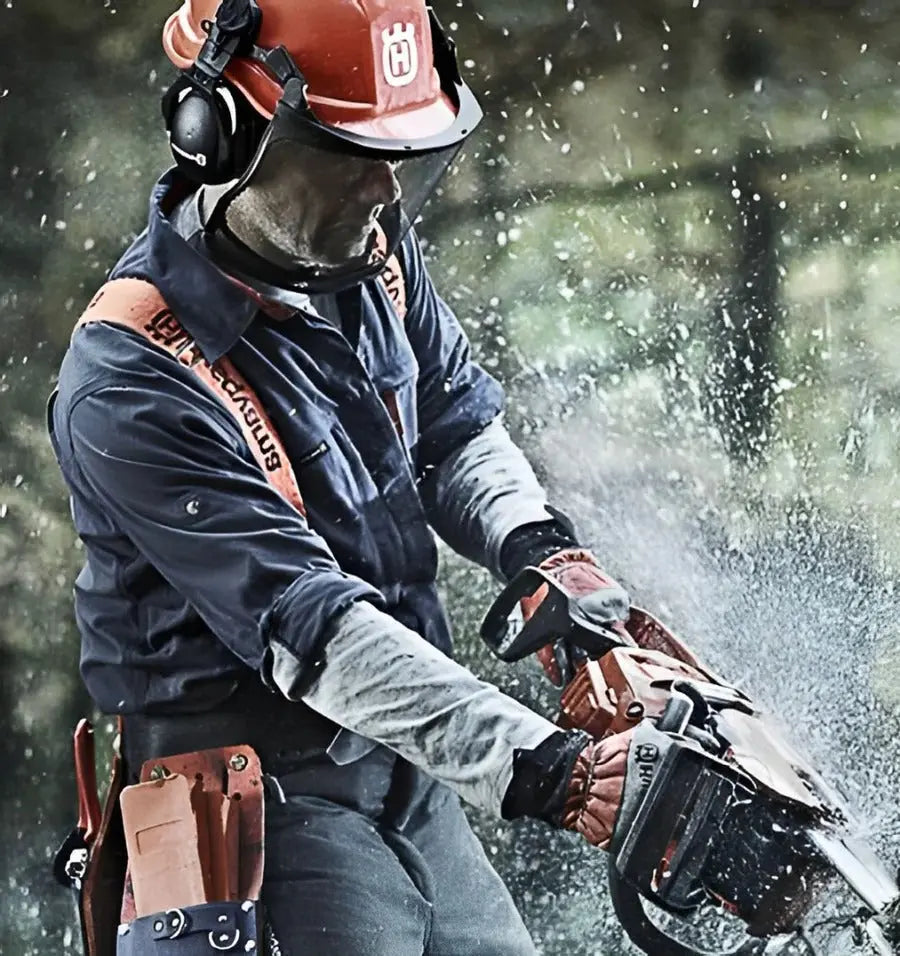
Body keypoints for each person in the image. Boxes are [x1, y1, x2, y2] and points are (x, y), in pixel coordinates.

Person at [48, 0, 635, 952]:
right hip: (252, 801)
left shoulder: (362, 248)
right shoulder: (129, 377)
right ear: (224, 134)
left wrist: (538, 548)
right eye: (351, 153)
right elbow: (313, 628)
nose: (387, 190)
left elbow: (451, 426)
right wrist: (539, 767)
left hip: (399, 769)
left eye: (400, 154)